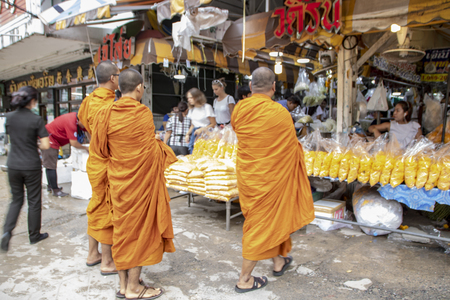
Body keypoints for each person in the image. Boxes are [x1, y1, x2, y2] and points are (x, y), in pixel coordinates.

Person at [90, 69, 176, 299]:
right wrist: (160, 145)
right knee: (140, 232)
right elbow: (149, 153)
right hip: (140, 185)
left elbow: (99, 149)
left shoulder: (105, 113)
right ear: (139, 87)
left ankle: (123, 285)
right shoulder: (142, 114)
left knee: (123, 231)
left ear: (119, 87)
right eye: (144, 87)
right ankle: (134, 288)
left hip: (119, 182)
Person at [231, 67, 315, 293]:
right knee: (261, 225)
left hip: (252, 175)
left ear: (250, 87)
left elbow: (239, 131)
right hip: (272, 176)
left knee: (276, 216)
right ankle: (244, 279)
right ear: (274, 87)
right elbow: (291, 146)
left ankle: (279, 260)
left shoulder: (239, 109)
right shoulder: (280, 113)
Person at [77, 60, 119, 274]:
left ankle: (93, 254)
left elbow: (86, 125)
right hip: (106, 162)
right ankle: (107, 262)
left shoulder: (89, 101)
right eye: (118, 75)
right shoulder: (109, 105)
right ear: (113, 78)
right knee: (106, 209)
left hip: (94, 159)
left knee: (96, 206)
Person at [1, 87, 51, 252]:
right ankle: (34, 235)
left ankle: (7, 231)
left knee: (16, 199)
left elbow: (8, 138)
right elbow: (45, 145)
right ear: (32, 101)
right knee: (34, 201)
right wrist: (33, 143)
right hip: (31, 165)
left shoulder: (8, 118)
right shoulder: (36, 120)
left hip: (13, 164)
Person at [43, 112, 88, 197]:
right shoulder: (71, 122)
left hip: (55, 139)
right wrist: (86, 148)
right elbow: (74, 143)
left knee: (51, 164)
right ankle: (55, 190)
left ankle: (51, 186)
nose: (85, 125)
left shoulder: (79, 119)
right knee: (51, 165)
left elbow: (88, 131)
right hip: (49, 138)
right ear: (79, 120)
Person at [185, 88, 216, 154]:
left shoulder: (207, 107)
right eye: (188, 98)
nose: (189, 100)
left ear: (197, 97)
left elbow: (213, 124)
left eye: (191, 98)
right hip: (195, 134)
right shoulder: (191, 109)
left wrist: (202, 129)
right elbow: (193, 125)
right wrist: (187, 134)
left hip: (206, 134)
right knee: (193, 152)